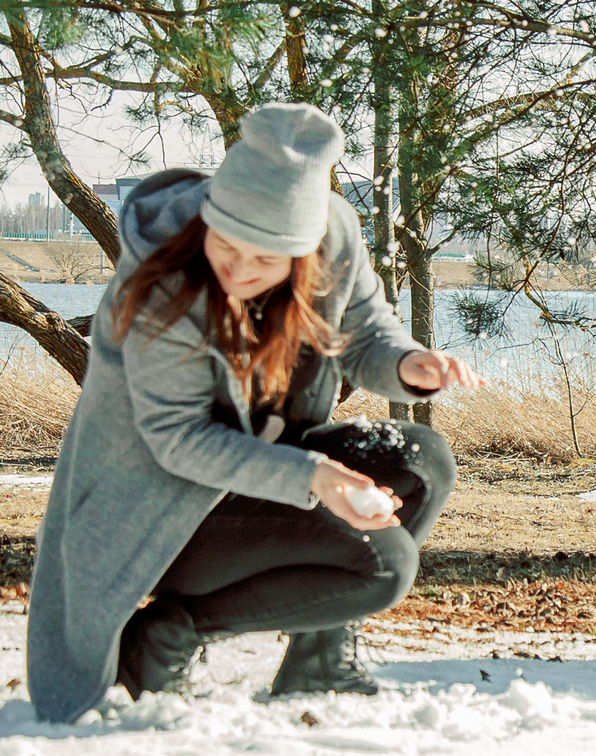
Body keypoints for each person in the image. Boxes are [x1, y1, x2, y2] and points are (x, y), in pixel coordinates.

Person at [26, 103, 482, 723]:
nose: (238, 269)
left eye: (264, 260)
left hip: (258, 484)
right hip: (160, 513)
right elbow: (179, 439)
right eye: (226, 244)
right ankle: (168, 633)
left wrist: (408, 364)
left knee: (421, 460)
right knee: (386, 563)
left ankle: (319, 660)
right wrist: (316, 478)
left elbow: (365, 333)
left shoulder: (334, 235)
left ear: (301, 255)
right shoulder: (165, 284)